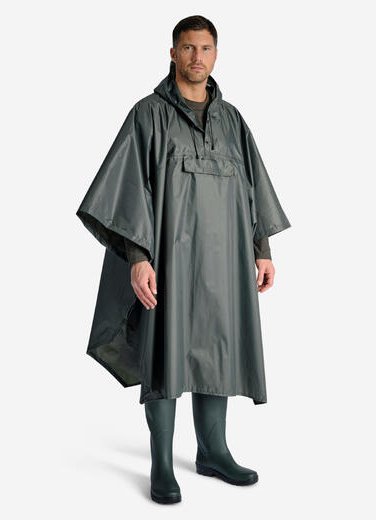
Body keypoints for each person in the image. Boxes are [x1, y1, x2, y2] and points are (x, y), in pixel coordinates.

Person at [76, 15, 291, 504]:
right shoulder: (147, 114)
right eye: (188, 48)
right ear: (173, 53)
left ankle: (213, 451)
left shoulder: (232, 120)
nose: (197, 57)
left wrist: (262, 250)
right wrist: (138, 257)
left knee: (219, 350)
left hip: (225, 266)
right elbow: (127, 191)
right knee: (164, 355)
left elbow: (253, 190)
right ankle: (161, 462)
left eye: (206, 48)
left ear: (216, 54)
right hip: (168, 264)